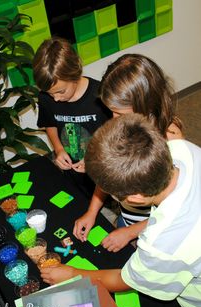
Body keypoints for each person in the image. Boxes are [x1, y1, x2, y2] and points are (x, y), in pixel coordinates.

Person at [40, 114, 201, 307]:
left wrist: (72, 274)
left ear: (135, 197)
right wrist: (133, 230)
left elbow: (125, 280)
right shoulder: (181, 148)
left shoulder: (163, 244)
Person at [73, 53, 184, 252]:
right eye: (110, 111)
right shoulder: (123, 125)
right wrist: (91, 211)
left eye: (119, 113)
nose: (113, 120)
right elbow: (108, 174)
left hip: (155, 229)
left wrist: (131, 232)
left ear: (147, 104)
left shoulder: (172, 140)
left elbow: (177, 210)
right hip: (128, 217)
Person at [33, 36, 111, 198]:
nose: (55, 99)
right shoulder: (47, 97)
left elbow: (116, 135)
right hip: (73, 171)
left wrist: (95, 159)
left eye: (61, 92)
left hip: (103, 168)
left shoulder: (101, 96)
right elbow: (50, 124)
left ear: (75, 74)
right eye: (50, 94)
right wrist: (59, 149)